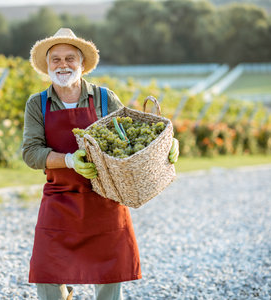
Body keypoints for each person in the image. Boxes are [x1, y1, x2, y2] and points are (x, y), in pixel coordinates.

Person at [22, 28, 179, 300]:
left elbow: (132, 138)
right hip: (60, 198)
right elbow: (31, 152)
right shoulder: (38, 104)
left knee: (109, 273)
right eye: (55, 59)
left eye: (70, 58)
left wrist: (165, 146)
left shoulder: (105, 99)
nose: (63, 65)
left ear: (82, 65)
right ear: (47, 65)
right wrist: (69, 160)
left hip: (106, 198)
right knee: (48, 270)